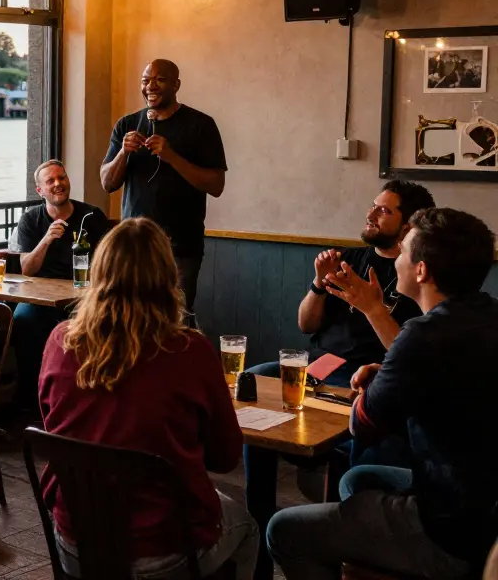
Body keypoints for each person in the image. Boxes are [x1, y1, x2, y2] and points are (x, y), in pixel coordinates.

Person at [267, 208, 498, 580]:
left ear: (421, 271)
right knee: (358, 479)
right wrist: (387, 371)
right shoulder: (486, 314)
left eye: (403, 252)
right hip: (484, 504)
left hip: (449, 532)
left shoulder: (423, 334)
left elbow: (362, 426)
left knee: (284, 530)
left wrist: (371, 384)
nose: (396, 261)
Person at [39, 218, 256, 580]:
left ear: (98, 274)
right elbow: (225, 457)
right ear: (168, 278)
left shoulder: (60, 341)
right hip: (163, 548)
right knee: (248, 528)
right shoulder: (191, 350)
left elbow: (54, 426)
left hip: (77, 543)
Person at [248, 181, 435, 387]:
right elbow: (306, 325)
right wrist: (319, 282)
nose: (370, 215)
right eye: (373, 206)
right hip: (318, 363)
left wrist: (374, 309)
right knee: (248, 379)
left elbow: (408, 356)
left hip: (365, 373)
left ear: (407, 227)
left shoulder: (417, 276)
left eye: (383, 211)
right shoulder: (345, 259)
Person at [100, 59, 226, 310]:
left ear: (176, 85)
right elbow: (108, 183)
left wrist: (171, 156)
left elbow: (216, 185)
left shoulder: (201, 125)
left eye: (159, 80)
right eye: (145, 80)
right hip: (133, 246)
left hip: (180, 248)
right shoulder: (127, 125)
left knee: (175, 317)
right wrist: (123, 153)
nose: (150, 86)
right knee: (129, 314)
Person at [9, 159, 111, 409]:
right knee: (22, 319)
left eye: (61, 177)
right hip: (41, 299)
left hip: (83, 296)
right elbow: (27, 269)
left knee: (88, 325)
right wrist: (46, 240)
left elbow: (108, 263)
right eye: (50, 181)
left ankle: (79, 397)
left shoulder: (92, 216)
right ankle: (31, 399)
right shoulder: (31, 219)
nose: (58, 184)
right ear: (40, 190)